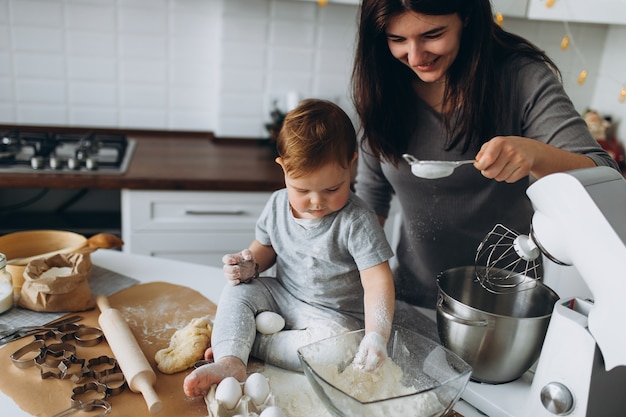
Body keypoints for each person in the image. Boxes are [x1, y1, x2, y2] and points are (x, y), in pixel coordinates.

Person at [352, 0, 619, 311]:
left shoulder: (522, 78)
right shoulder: (383, 83)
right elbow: (371, 197)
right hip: (411, 298)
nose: (414, 56)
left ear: (466, 15)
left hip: (505, 306)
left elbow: (602, 174)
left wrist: (536, 155)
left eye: (432, 34)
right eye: (397, 40)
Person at [183, 99, 396, 397]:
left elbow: (377, 282)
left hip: (332, 317)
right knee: (239, 291)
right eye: (302, 190)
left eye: (332, 189)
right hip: (281, 294)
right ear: (283, 167)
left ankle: (246, 340)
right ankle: (231, 362)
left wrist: (376, 336)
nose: (316, 201)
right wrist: (250, 265)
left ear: (352, 163)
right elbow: (265, 249)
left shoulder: (358, 221)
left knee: (340, 349)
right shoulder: (277, 204)